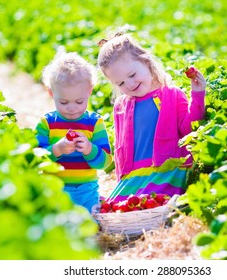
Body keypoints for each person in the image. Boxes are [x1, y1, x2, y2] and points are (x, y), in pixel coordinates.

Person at [97, 32, 206, 203]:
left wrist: (198, 95)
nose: (130, 85)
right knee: (116, 207)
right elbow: (120, 150)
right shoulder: (121, 106)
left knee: (152, 203)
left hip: (166, 170)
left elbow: (188, 129)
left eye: (132, 75)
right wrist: (121, 179)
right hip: (134, 176)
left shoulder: (170, 95)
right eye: (121, 84)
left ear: (145, 62)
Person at [35, 51, 113, 212]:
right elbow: (36, 159)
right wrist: (57, 149)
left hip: (87, 191)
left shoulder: (94, 123)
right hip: (56, 189)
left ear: (89, 91)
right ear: (51, 93)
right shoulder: (47, 123)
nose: (72, 108)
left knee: (90, 226)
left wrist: (89, 149)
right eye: (63, 102)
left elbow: (105, 162)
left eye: (79, 101)